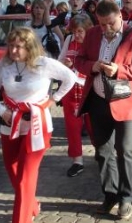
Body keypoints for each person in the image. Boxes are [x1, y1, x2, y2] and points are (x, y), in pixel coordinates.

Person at [75, 0, 132, 220]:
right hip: (98, 100)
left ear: (120, 16)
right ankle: (110, 195)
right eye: (102, 24)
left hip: (124, 101)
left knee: (125, 150)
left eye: (110, 23)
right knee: (103, 151)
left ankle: (126, 198)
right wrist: (93, 66)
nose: (107, 28)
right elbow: (79, 60)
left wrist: (119, 70)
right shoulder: (92, 35)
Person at [0, 27, 76, 223]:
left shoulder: (44, 63)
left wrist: (53, 99)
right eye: (10, 46)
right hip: (10, 123)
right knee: (12, 168)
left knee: (25, 177)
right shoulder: (4, 64)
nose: (12, 51)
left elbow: (70, 78)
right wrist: (2, 110)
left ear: (30, 47)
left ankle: (21, 219)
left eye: (18, 47)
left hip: (37, 125)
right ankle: (31, 203)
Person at [58, 14, 94, 177]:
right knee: (73, 127)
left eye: (80, 31)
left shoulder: (93, 43)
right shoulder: (69, 40)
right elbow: (60, 59)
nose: (76, 35)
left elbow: (95, 66)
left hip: (89, 90)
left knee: (94, 126)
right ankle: (77, 161)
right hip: (71, 90)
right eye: (74, 31)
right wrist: (65, 64)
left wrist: (78, 68)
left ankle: (101, 151)